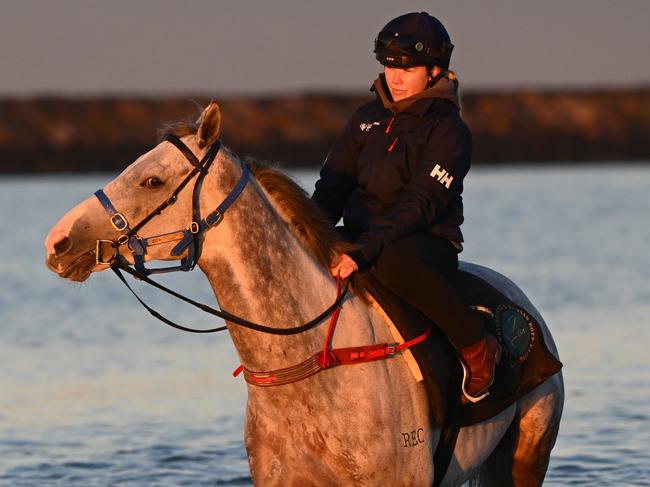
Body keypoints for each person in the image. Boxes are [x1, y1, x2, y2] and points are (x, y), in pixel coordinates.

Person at [312, 12, 500, 403]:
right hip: (363, 237)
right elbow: (331, 188)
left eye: (408, 68)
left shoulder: (449, 131)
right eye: (389, 66)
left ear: (434, 70)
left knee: (394, 261)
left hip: (425, 241)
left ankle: (477, 346)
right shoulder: (365, 119)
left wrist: (363, 252)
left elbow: (420, 203)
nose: (395, 78)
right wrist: (307, 235)